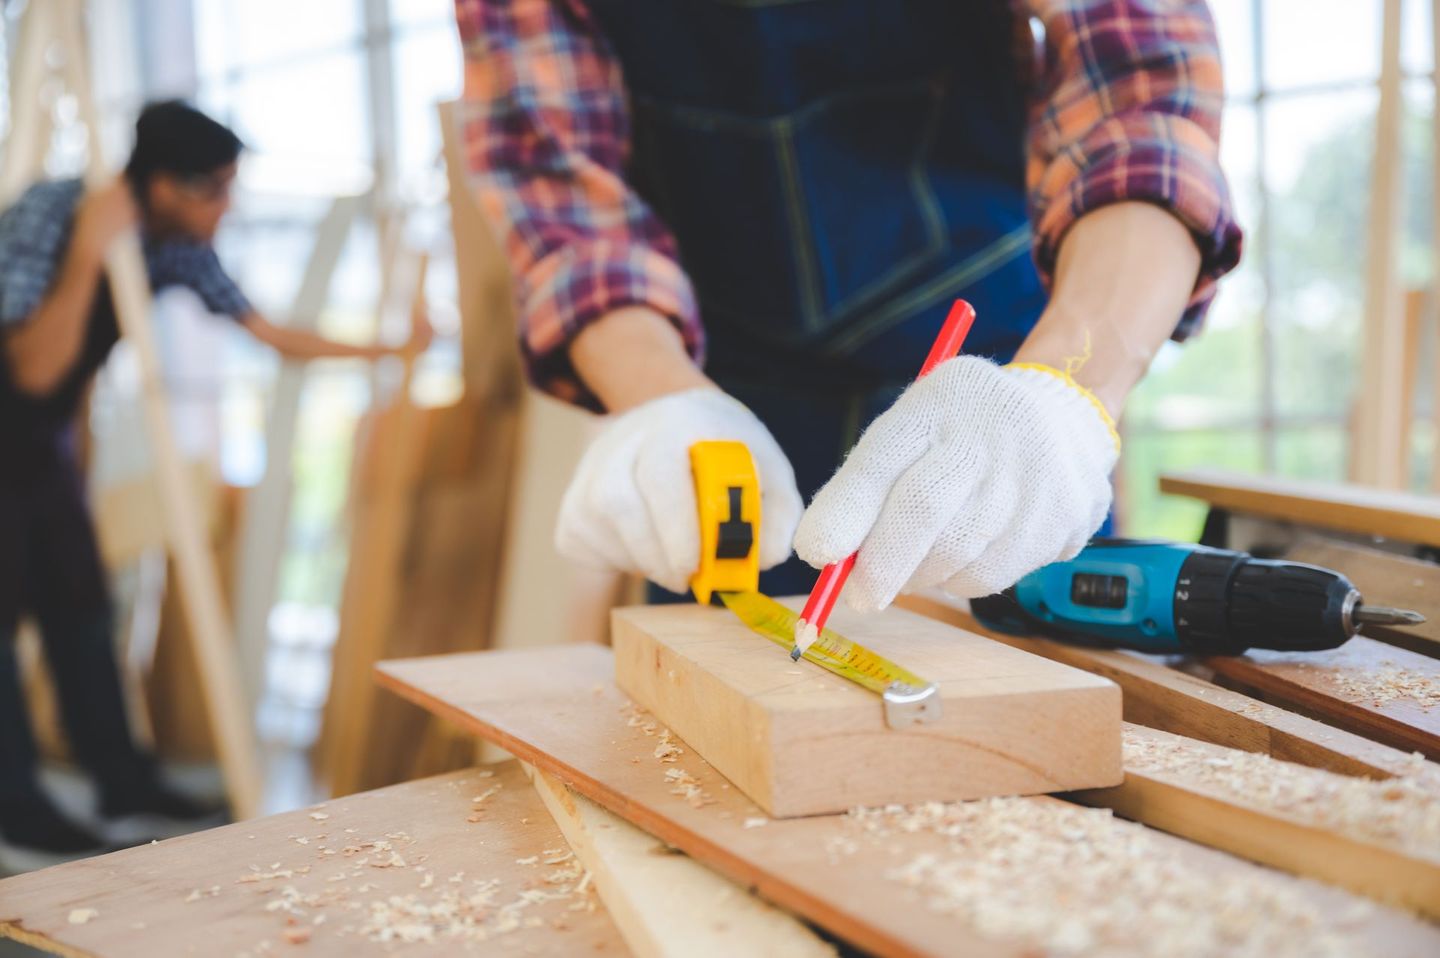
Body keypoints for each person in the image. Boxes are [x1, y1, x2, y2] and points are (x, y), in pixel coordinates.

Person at [457, 2, 1241, 607]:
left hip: (1000, 398)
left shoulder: (1029, 406)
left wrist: (1069, 391)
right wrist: (664, 405)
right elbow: (563, 196)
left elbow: (1144, 92)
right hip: (730, 413)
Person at [0, 101, 428, 867]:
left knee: (80, 605)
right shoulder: (55, 213)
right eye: (215, 190)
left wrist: (390, 350)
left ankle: (123, 784)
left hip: (40, 449)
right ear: (163, 184)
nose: (227, 208)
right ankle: (15, 806)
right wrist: (89, 255)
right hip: (14, 416)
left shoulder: (174, 241)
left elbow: (265, 332)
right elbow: (33, 369)